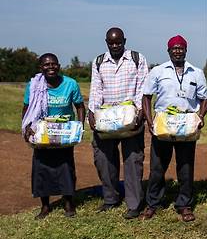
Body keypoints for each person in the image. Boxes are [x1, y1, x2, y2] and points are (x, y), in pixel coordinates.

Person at [139, 35, 207, 222]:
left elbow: (205, 98)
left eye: (181, 48)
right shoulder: (158, 71)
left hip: (186, 124)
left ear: (186, 50)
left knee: (186, 166)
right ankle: (153, 203)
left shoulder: (196, 72)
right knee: (157, 167)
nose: (177, 51)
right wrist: (149, 120)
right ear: (168, 50)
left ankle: (184, 204)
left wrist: (200, 117)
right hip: (163, 123)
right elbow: (146, 96)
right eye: (174, 48)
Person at [88, 27, 149, 219]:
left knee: (132, 160)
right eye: (111, 43)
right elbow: (96, 89)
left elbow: (142, 87)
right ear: (106, 42)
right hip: (106, 118)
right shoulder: (99, 62)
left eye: (118, 42)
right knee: (103, 159)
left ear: (125, 40)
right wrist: (92, 112)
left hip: (130, 117)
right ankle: (110, 198)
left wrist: (140, 112)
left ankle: (134, 203)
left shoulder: (137, 59)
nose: (115, 46)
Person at [21, 53, 85, 219]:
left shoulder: (70, 84)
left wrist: (79, 126)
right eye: (46, 64)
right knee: (42, 168)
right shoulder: (34, 85)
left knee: (66, 168)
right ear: (40, 68)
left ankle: (69, 203)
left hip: (64, 133)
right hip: (41, 132)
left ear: (59, 65)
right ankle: (45, 206)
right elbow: (27, 108)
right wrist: (26, 127)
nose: (50, 67)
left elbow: (79, 106)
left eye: (53, 64)